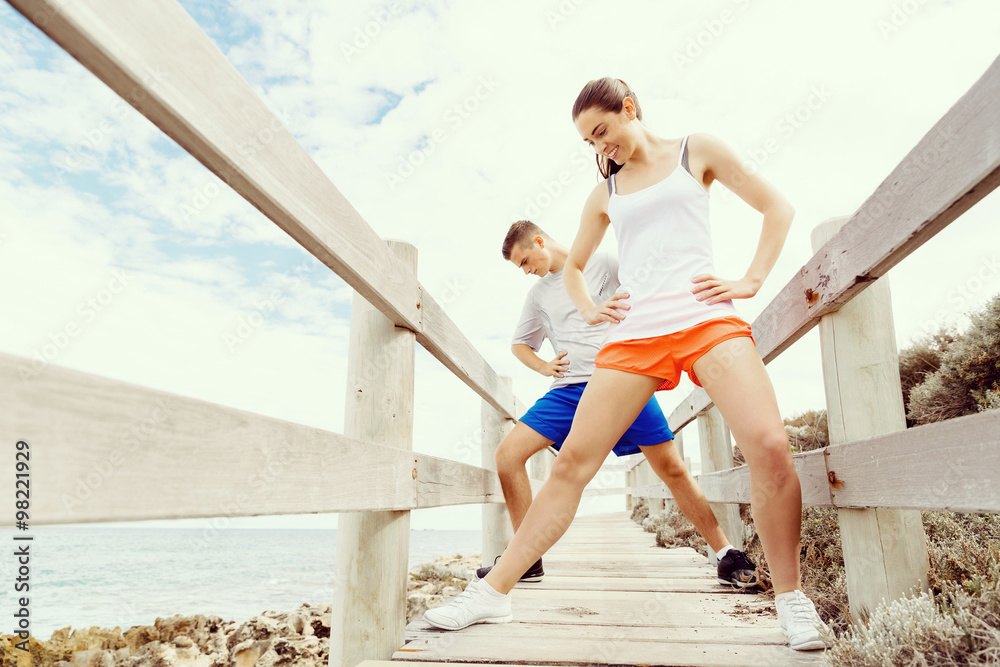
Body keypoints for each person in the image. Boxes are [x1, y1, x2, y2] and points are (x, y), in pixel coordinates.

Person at [422, 78, 826, 652]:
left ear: (629, 109)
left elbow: (777, 207)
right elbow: (574, 267)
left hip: (705, 318)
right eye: (590, 142)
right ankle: (494, 595)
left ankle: (791, 599)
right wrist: (589, 309)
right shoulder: (605, 193)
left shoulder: (697, 150)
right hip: (636, 336)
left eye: (603, 131)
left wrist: (750, 279)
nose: (600, 148)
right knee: (571, 467)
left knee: (768, 447)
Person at [463, 220, 759, 590]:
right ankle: (525, 560)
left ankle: (725, 554)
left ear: (539, 241)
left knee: (672, 468)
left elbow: (655, 286)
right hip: (568, 389)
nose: (525, 272)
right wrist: (544, 366)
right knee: (507, 455)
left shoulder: (603, 261)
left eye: (524, 261)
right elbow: (520, 344)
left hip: (623, 378)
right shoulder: (538, 295)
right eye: (520, 268)